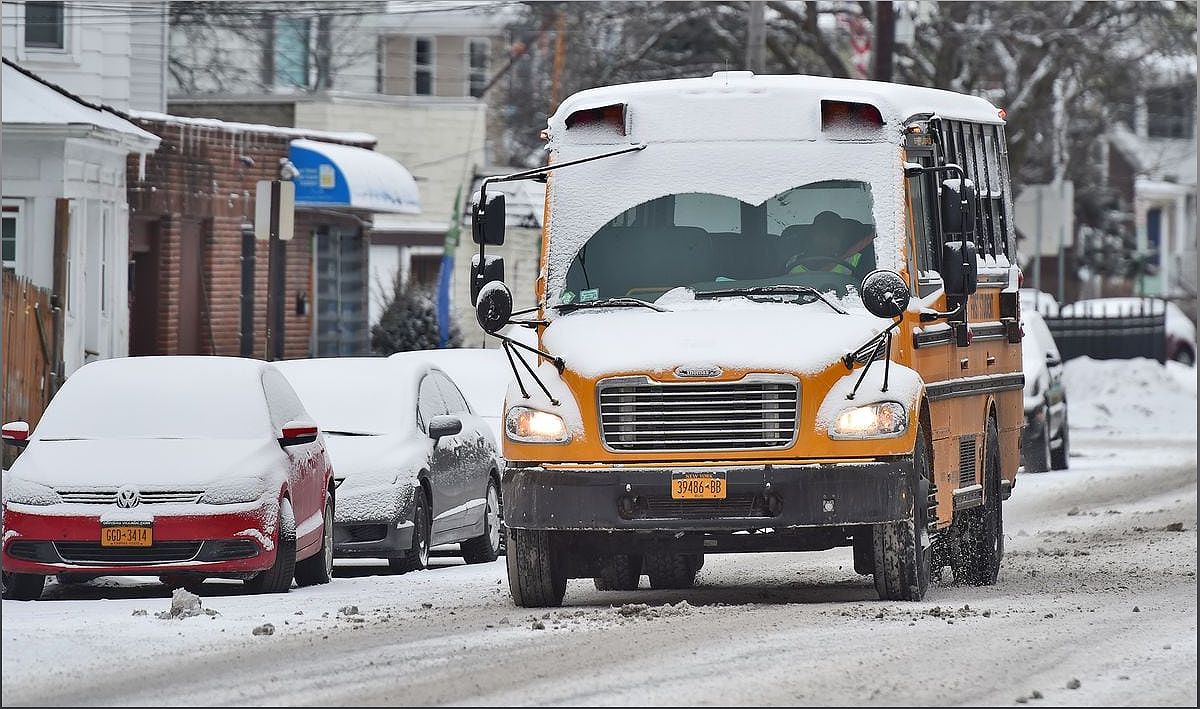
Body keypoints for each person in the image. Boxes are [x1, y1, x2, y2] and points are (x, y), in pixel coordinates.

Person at [785, 211, 864, 276]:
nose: (828, 240)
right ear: (812, 236)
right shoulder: (793, 262)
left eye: (835, 236)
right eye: (823, 235)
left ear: (842, 239)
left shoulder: (852, 261)